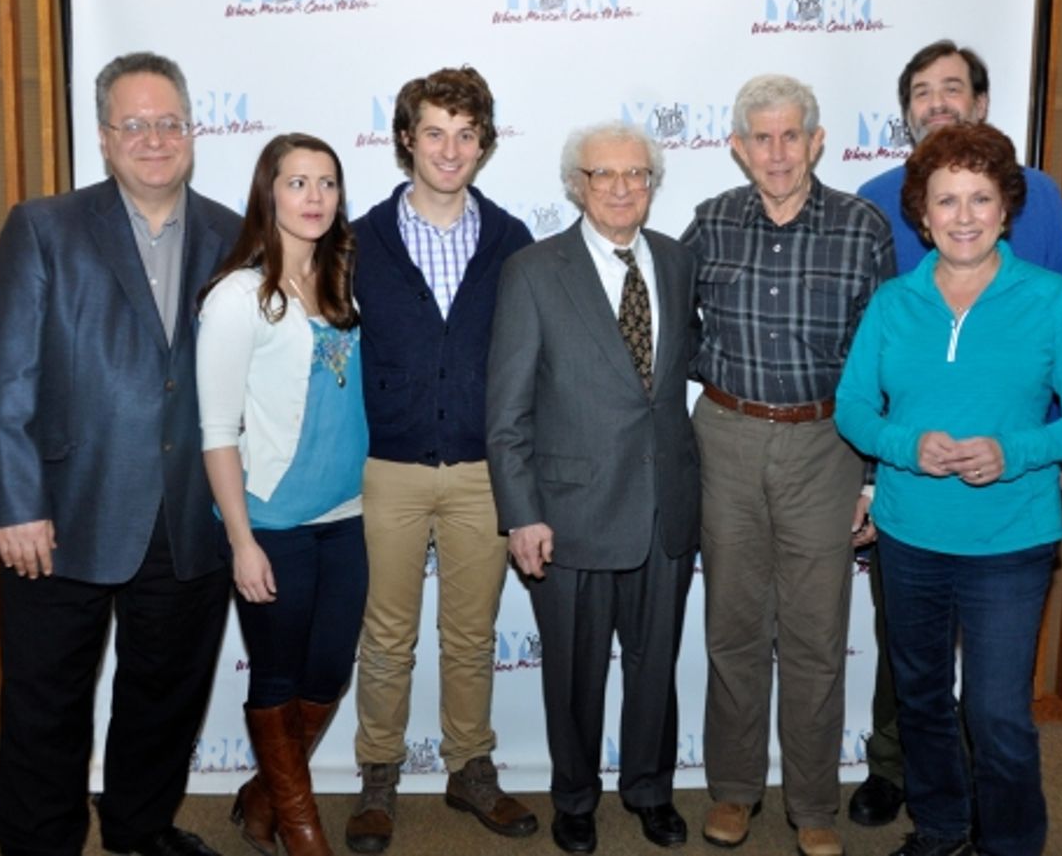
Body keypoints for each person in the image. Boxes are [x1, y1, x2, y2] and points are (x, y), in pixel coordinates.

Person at [0, 51, 240, 856]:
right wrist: (16, 503)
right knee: (46, 697)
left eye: (169, 123)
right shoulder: (45, 226)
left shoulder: (233, 233)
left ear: (191, 131)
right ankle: (39, 840)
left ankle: (139, 826)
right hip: (63, 511)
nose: (154, 139)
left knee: (165, 694)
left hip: (189, 513)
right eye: (135, 124)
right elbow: (4, 373)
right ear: (103, 136)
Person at [835, 122, 1062, 856]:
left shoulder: (1050, 299)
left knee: (997, 715)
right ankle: (942, 827)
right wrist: (905, 445)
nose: (963, 216)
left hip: (1011, 539)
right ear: (921, 214)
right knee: (922, 700)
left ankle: (1012, 842)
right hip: (908, 533)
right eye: (946, 200)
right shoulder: (894, 303)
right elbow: (854, 407)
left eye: (980, 198)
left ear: (1006, 209)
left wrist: (1016, 450)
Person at [683, 74, 894, 856]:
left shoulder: (863, 226)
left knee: (814, 633)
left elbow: (883, 362)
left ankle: (812, 803)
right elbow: (679, 331)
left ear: (816, 141)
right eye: (760, 138)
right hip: (728, 436)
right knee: (732, 627)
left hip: (825, 444)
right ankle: (734, 790)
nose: (776, 153)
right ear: (737, 147)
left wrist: (872, 474)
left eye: (789, 136)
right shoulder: (708, 224)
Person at [486, 123, 700, 855]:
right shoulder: (534, 271)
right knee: (574, 676)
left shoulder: (676, 261)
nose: (620, 187)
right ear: (576, 184)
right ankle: (574, 797)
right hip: (568, 516)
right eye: (602, 174)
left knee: (654, 669)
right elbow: (507, 411)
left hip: (666, 510)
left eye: (636, 174)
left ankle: (650, 789)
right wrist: (522, 515)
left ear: (652, 183)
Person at [346, 66, 537, 853]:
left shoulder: (512, 239)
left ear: (484, 144)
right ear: (405, 139)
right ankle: (379, 776)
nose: (450, 148)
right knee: (386, 634)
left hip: (480, 471)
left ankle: (470, 767)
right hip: (387, 468)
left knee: (470, 632)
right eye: (434, 132)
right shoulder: (357, 240)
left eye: (466, 134)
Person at [196, 133, 368, 856]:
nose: (314, 197)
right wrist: (242, 540)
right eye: (297, 183)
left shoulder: (342, 283)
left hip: (346, 516)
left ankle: (261, 793)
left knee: (328, 672)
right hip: (273, 522)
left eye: (326, 183)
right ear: (269, 194)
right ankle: (302, 828)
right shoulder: (237, 297)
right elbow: (216, 429)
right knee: (277, 673)